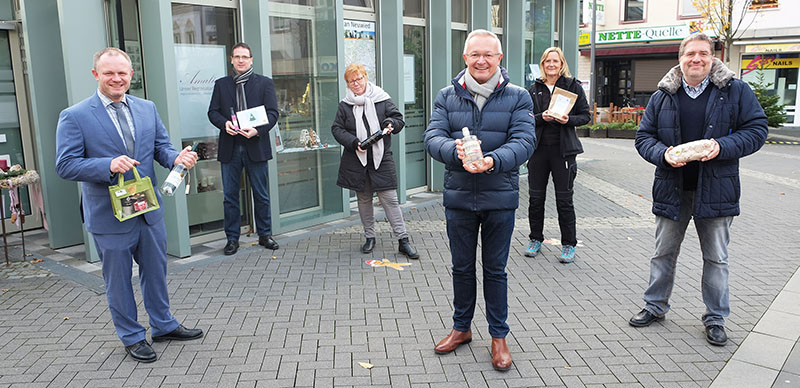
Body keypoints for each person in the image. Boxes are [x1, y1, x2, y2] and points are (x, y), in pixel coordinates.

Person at [55, 47, 204, 363]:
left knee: (155, 272)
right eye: (109, 73)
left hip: (147, 209)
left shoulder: (147, 108)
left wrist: (176, 157)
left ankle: (163, 325)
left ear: (131, 75)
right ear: (96, 74)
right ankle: (132, 336)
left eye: (122, 73)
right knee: (119, 280)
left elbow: (161, 147)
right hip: (110, 215)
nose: (116, 79)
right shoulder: (75, 115)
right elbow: (65, 165)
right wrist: (108, 164)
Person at [629, 33, 768, 346]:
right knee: (662, 253)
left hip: (716, 190)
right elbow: (643, 138)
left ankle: (716, 317)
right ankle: (655, 305)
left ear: (712, 57)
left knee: (716, 258)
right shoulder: (663, 95)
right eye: (691, 53)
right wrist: (662, 154)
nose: (696, 59)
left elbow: (758, 130)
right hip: (672, 188)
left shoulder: (735, 90)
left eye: (703, 54)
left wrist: (721, 146)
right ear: (680, 57)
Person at [424, 29, 535, 371]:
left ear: (500, 58)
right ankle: (461, 328)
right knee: (460, 267)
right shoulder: (447, 96)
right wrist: (453, 152)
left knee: (495, 269)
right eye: (475, 55)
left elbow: (525, 141)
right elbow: (432, 137)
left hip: (499, 196)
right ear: (465, 58)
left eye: (489, 54)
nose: (482, 60)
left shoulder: (518, 97)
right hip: (459, 197)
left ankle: (499, 336)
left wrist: (493, 160)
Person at [331, 64, 419, 259]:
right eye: (351, 81)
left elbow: (398, 119)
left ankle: (403, 240)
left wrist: (390, 124)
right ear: (347, 84)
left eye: (359, 79)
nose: (356, 84)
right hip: (356, 159)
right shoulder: (345, 104)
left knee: (390, 199)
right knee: (363, 199)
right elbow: (337, 129)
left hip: (381, 158)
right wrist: (354, 143)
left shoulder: (381, 98)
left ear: (366, 78)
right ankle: (369, 237)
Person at [208, 42, 280, 256]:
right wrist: (224, 124)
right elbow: (213, 112)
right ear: (231, 59)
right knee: (230, 196)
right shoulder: (221, 85)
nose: (241, 60)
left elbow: (273, 114)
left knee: (261, 194)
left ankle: (265, 234)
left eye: (245, 57)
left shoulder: (264, 84)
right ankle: (232, 239)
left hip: (255, 145)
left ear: (251, 60)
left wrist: (257, 131)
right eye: (237, 56)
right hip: (230, 147)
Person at [524, 47, 590, 263]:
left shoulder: (573, 86)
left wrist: (567, 120)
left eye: (555, 61)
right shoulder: (534, 89)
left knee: (564, 200)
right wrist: (542, 116)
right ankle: (535, 239)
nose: (551, 65)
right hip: (538, 150)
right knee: (535, 198)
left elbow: (585, 116)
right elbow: (526, 118)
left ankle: (569, 244)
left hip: (564, 152)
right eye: (547, 61)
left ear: (562, 64)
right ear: (543, 64)